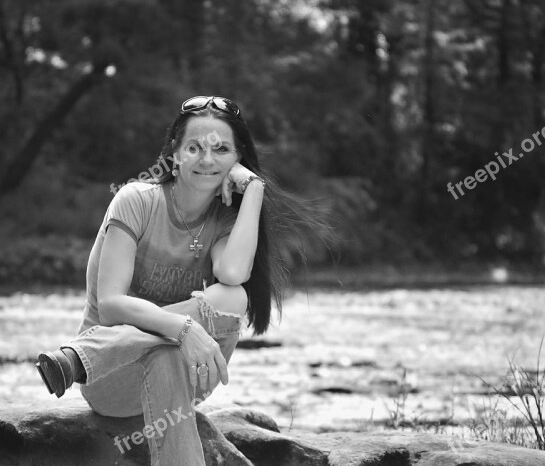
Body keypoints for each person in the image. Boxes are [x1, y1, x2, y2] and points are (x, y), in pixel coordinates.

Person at [35, 95, 331, 465]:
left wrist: (255, 190)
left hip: (183, 368)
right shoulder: (135, 201)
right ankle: (95, 357)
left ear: (237, 159)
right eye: (194, 147)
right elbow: (110, 306)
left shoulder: (224, 220)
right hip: (109, 377)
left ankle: (78, 357)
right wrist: (184, 329)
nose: (207, 160)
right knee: (168, 352)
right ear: (174, 153)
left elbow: (233, 275)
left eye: (221, 149)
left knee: (232, 299)